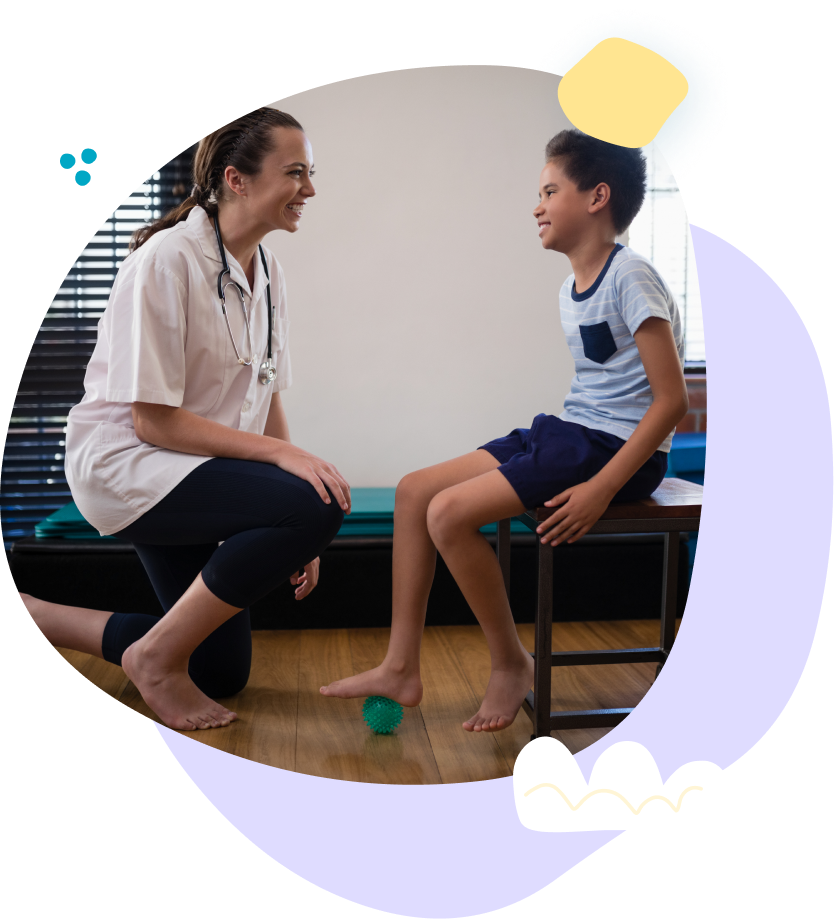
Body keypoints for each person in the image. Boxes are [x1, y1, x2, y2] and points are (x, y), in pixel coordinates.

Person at [321, 129, 689, 733]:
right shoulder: (572, 286)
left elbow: (671, 400)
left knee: (447, 514)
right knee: (415, 491)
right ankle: (399, 667)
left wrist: (600, 489)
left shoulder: (632, 276)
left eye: (549, 190)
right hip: (572, 429)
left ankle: (510, 663)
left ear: (597, 197)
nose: (536, 205)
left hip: (613, 449)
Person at [21, 107, 351, 732]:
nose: (309, 189)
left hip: (193, 464)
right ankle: (154, 658)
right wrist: (297, 491)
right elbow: (153, 423)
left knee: (220, 672)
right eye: (296, 172)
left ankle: (43, 618)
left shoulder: (267, 268)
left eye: (310, 173)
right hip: (130, 465)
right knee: (320, 501)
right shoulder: (165, 262)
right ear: (238, 180)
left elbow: (267, 390)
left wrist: (299, 518)